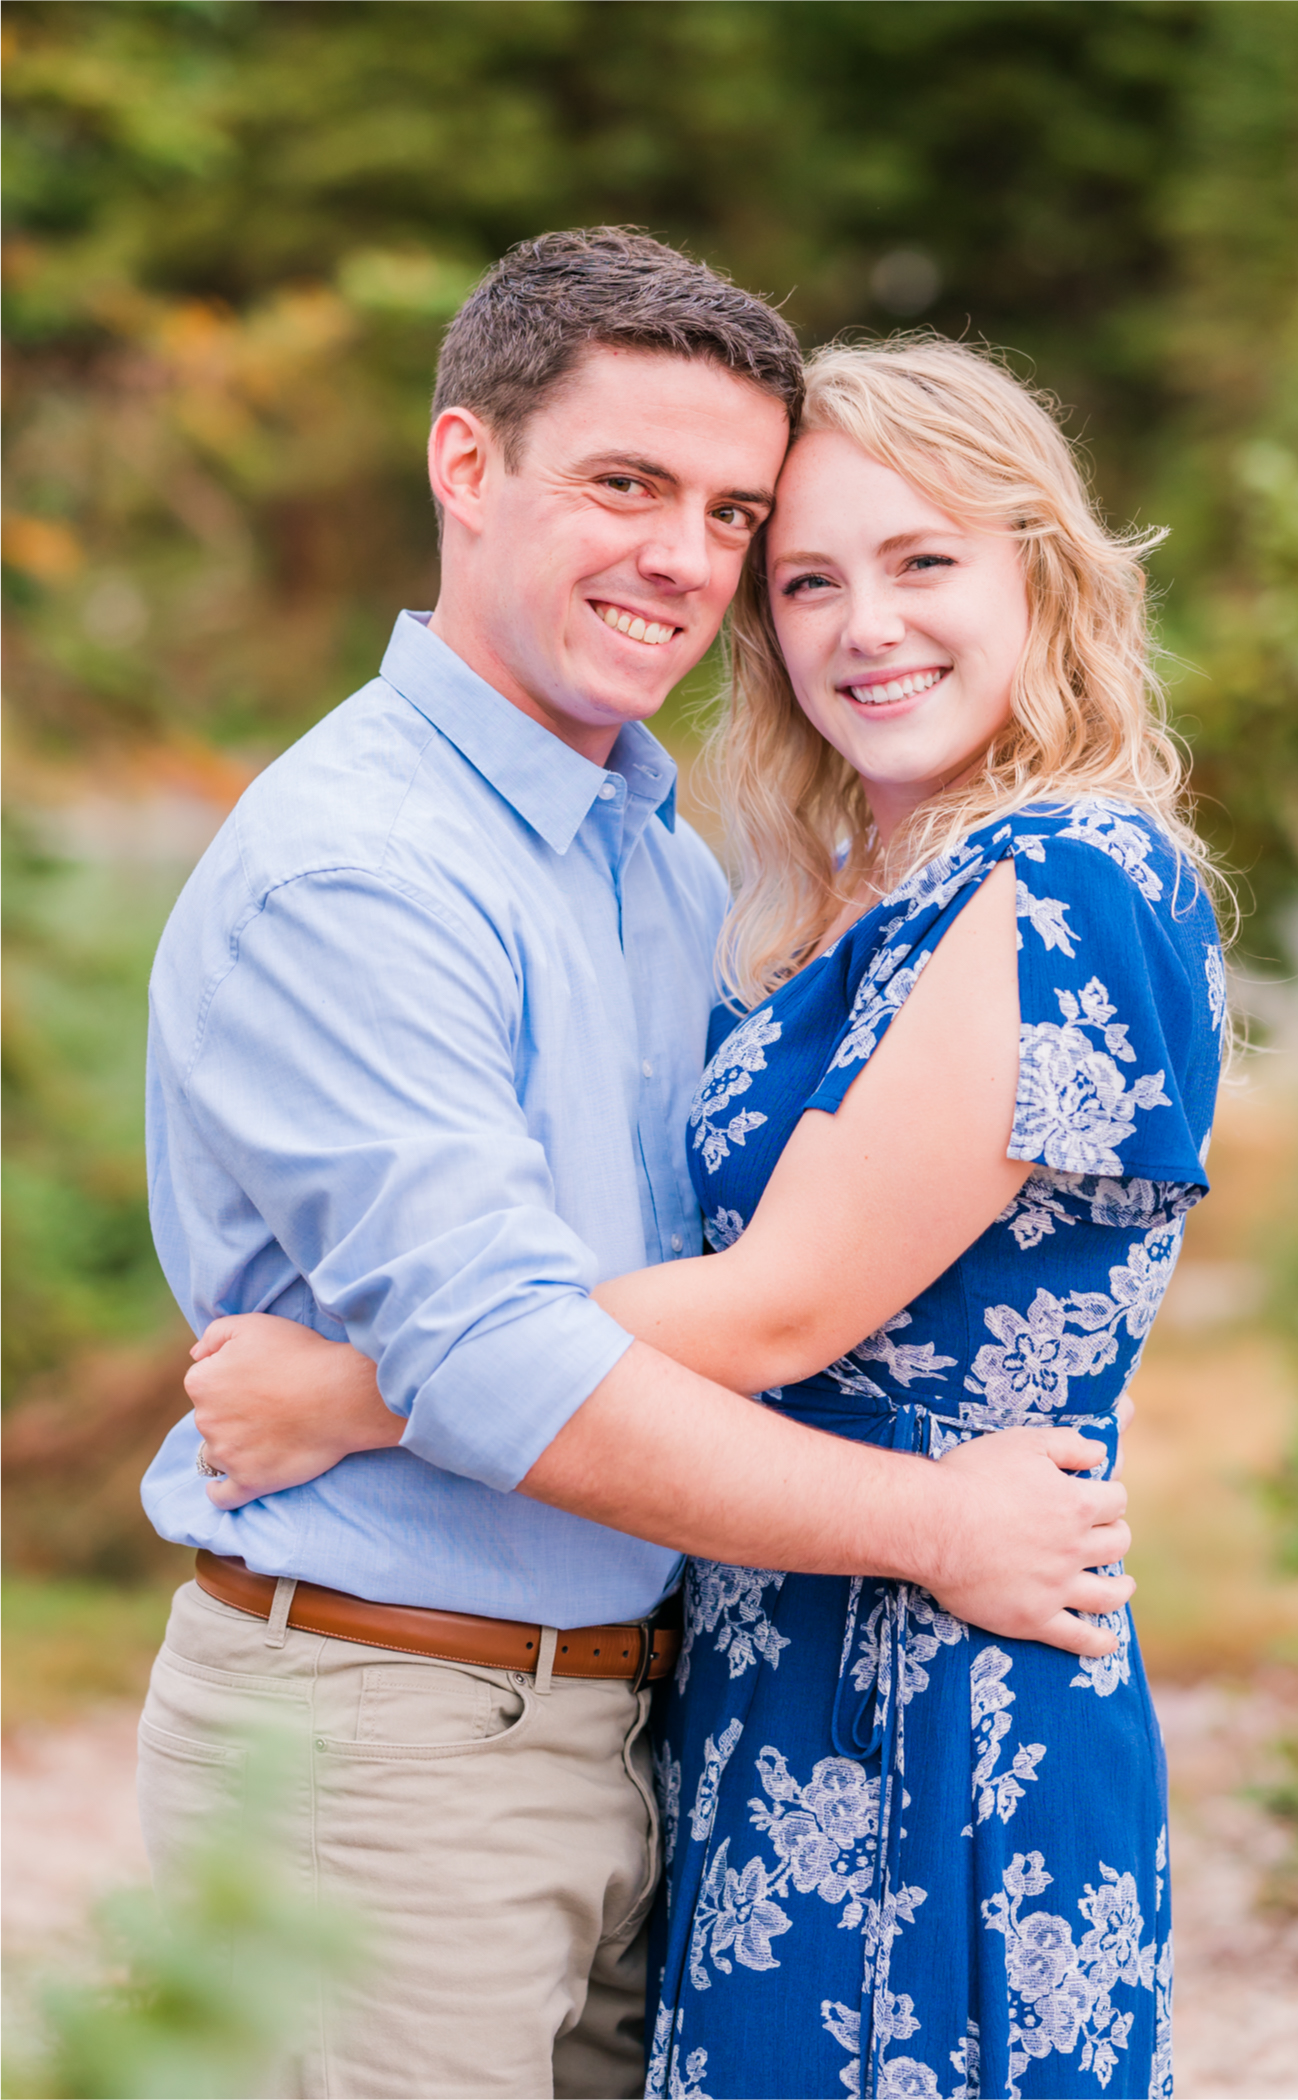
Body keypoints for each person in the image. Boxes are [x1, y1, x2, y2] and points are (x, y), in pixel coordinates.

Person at [140, 232, 1135, 2100]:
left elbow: (750, 1287)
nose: (685, 557)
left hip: (644, 1732)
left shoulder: (656, 863)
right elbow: (506, 1359)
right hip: (392, 1747)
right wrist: (938, 1526)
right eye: (623, 483)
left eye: (730, 512)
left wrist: (346, 1393)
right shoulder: (363, 870)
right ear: (464, 467)